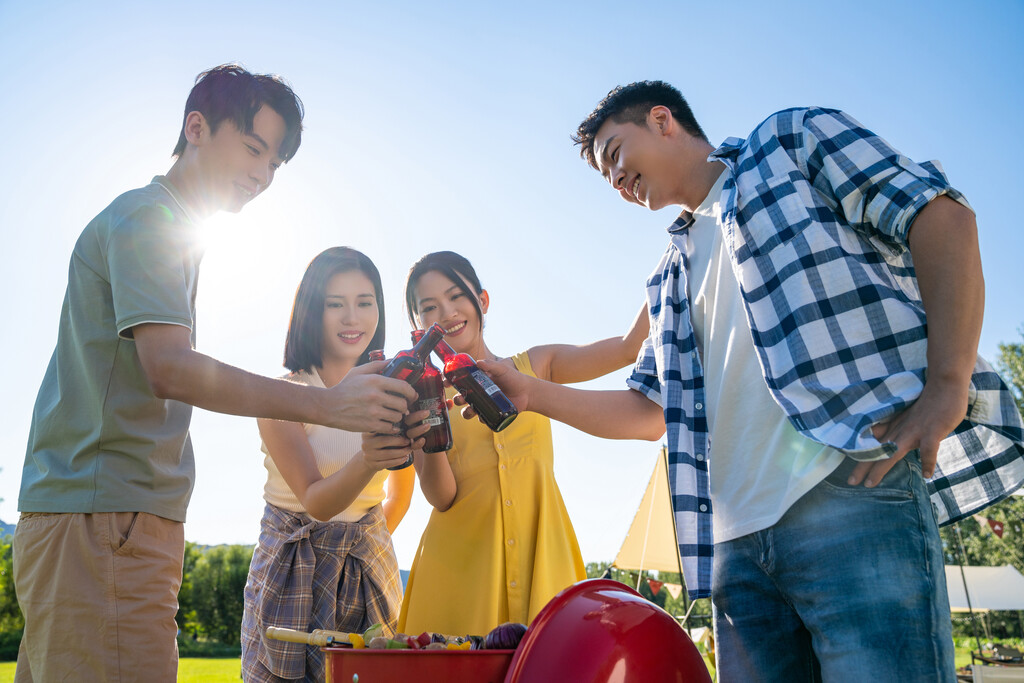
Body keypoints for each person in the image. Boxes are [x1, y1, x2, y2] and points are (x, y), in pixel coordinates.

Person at [473, 81, 1024, 681]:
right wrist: (530, 394)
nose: (614, 180)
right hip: (735, 551)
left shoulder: (787, 141)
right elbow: (649, 411)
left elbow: (938, 214)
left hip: (849, 489)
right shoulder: (667, 276)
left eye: (613, 154)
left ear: (662, 120)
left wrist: (948, 382)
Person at [13, 65, 419, 683]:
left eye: (276, 164)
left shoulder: (172, 232)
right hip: (104, 517)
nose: (262, 175)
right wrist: (331, 406)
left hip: (115, 518)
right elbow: (169, 368)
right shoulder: (150, 220)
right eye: (254, 148)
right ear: (196, 127)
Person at [397, 251, 648, 636]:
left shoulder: (537, 365)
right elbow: (442, 497)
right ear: (417, 325)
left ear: (482, 300)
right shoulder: (422, 397)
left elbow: (630, 347)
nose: (445, 313)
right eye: (428, 307)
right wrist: (426, 425)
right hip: (461, 578)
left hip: (543, 564)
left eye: (455, 296)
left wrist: (683, 253)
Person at [241, 246, 423, 682]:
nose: (352, 318)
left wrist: (359, 542)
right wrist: (364, 462)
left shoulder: (391, 386)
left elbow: (400, 492)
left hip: (367, 569)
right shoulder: (282, 394)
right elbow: (315, 501)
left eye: (365, 303)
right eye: (334, 305)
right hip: (290, 570)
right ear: (310, 310)